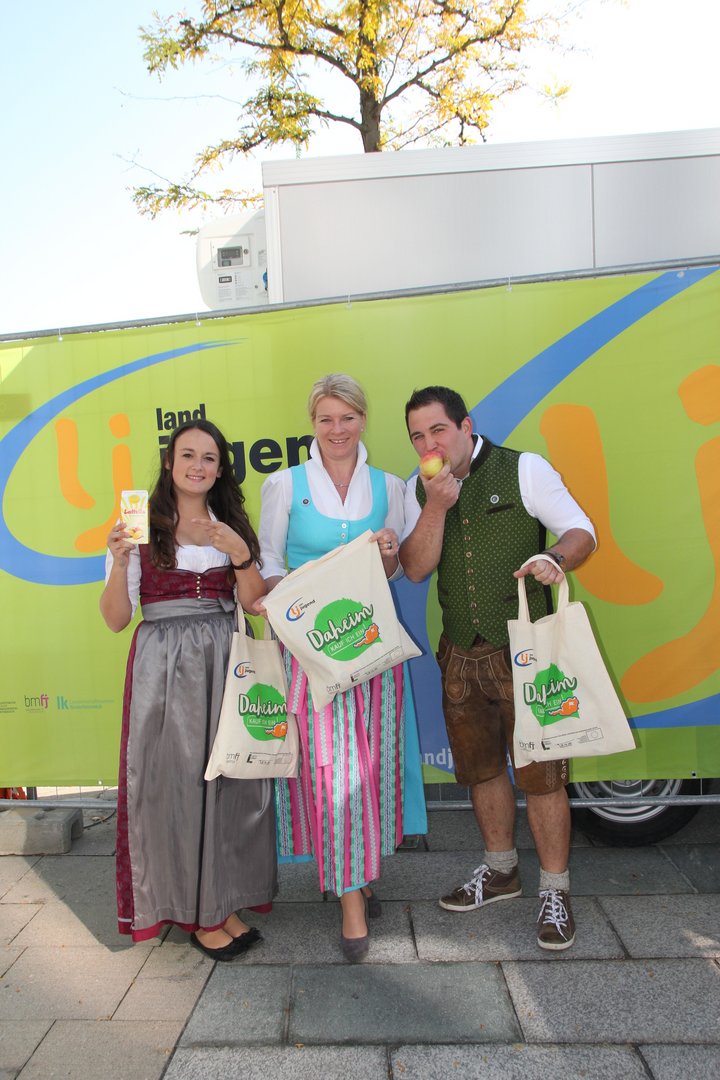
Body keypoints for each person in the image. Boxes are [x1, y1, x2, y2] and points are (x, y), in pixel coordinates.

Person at [399, 386, 596, 951]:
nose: (429, 444)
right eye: (418, 436)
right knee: (483, 770)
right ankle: (502, 870)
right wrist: (436, 505)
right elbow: (415, 569)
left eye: (438, 430)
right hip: (461, 654)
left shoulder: (523, 468)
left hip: (527, 653)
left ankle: (555, 890)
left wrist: (554, 559)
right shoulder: (420, 489)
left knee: (542, 775)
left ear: (465, 426)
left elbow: (582, 531)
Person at [257, 374, 427, 962]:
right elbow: (270, 559)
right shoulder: (284, 484)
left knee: (370, 764)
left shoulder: (390, 487)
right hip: (310, 650)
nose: (337, 429)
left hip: (370, 646)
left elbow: (398, 569)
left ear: (362, 420)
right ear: (313, 423)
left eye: (347, 417)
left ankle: (356, 868)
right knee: (331, 768)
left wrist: (389, 555)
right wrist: (289, 601)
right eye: (326, 418)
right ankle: (351, 898)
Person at [100, 419, 277, 961]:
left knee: (229, 781)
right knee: (175, 785)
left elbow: (255, 604)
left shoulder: (230, 525)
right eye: (188, 455)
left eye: (209, 458)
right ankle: (196, 915)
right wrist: (120, 562)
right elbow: (116, 619)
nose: (198, 466)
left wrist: (241, 555)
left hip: (225, 658)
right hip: (165, 664)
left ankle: (220, 902)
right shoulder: (139, 528)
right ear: (169, 463)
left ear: (220, 469)